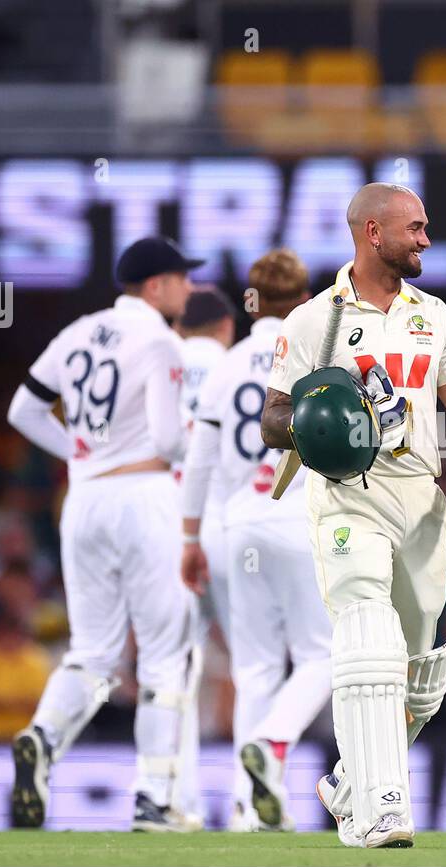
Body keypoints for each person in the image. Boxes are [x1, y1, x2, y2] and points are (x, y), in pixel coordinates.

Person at [259, 183, 446, 848]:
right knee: (369, 641)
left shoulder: (433, 316)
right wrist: (322, 421)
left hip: (421, 499)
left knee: (420, 678)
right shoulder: (313, 321)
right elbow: (271, 421)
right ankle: (383, 809)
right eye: (415, 227)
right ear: (373, 233)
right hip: (349, 494)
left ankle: (350, 781)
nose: (426, 239)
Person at [6, 236, 198, 832]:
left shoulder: (77, 332)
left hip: (83, 499)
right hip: (145, 497)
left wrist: (83, 456)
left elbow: (22, 410)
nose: (189, 288)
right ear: (155, 286)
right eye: (181, 278)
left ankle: (43, 735)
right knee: (165, 655)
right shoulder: (163, 341)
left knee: (92, 652)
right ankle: (153, 799)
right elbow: (168, 441)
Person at [182, 249, 333, 832]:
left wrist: (189, 536)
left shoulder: (229, 363)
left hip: (237, 524)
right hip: (298, 517)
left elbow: (199, 462)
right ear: (303, 300)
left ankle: (250, 808)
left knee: (256, 668)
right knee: (324, 653)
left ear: (251, 301)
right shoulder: (319, 355)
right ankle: (272, 744)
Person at [169, 285, 237, 829]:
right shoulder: (237, 365)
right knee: (260, 666)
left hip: (175, 530)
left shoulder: (160, 360)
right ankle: (252, 804)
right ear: (225, 327)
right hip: (235, 524)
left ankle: (178, 799)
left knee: (176, 670)